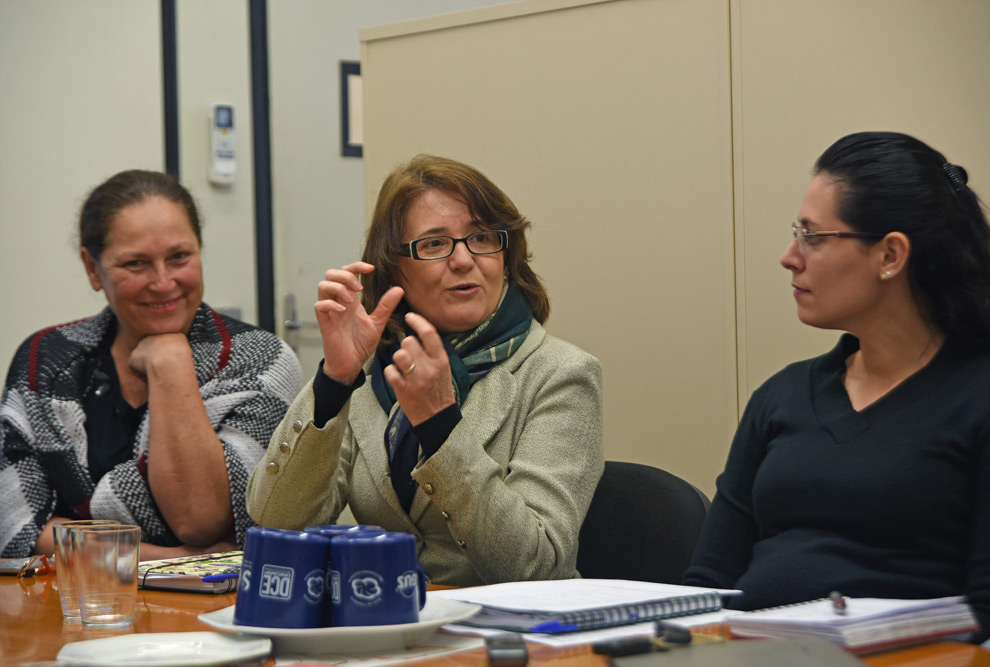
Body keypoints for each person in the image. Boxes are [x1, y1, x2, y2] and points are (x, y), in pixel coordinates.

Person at [683, 131, 990, 639]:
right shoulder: (781, 395)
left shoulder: (976, 396)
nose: (789, 256)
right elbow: (709, 584)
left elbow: (984, 615)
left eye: (813, 236)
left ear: (890, 255)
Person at [247, 154, 603, 586]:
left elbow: (538, 567)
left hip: (504, 637)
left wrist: (440, 427)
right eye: (435, 244)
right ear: (395, 266)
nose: (464, 260)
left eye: (483, 237)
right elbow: (277, 524)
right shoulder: (377, 370)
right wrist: (336, 379)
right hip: (384, 620)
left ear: (506, 256)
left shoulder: (560, 374)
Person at [0, 169, 302, 560]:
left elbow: (200, 519)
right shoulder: (46, 358)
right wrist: (167, 560)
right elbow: (18, 525)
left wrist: (171, 365)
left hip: (217, 615)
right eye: (136, 264)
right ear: (93, 269)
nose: (162, 283)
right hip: (67, 611)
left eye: (179, 257)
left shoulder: (259, 358)